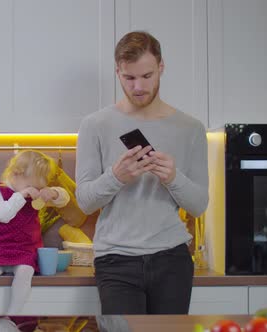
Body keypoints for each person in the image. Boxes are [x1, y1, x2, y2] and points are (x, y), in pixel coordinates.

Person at [75, 31, 209, 315]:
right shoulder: (94, 125)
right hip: (115, 260)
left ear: (161, 67)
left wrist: (174, 178)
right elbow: (85, 201)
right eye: (129, 78)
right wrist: (116, 176)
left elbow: (198, 205)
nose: (138, 86)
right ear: (117, 72)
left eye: (146, 76)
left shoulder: (191, 128)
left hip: (173, 258)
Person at [0, 150, 70, 315]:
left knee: (26, 271)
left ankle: (12, 316)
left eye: (39, 187)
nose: (35, 191)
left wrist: (53, 193)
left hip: (23, 250)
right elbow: (3, 215)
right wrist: (21, 195)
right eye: (32, 186)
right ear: (15, 174)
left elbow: (65, 199)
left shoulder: (34, 195)